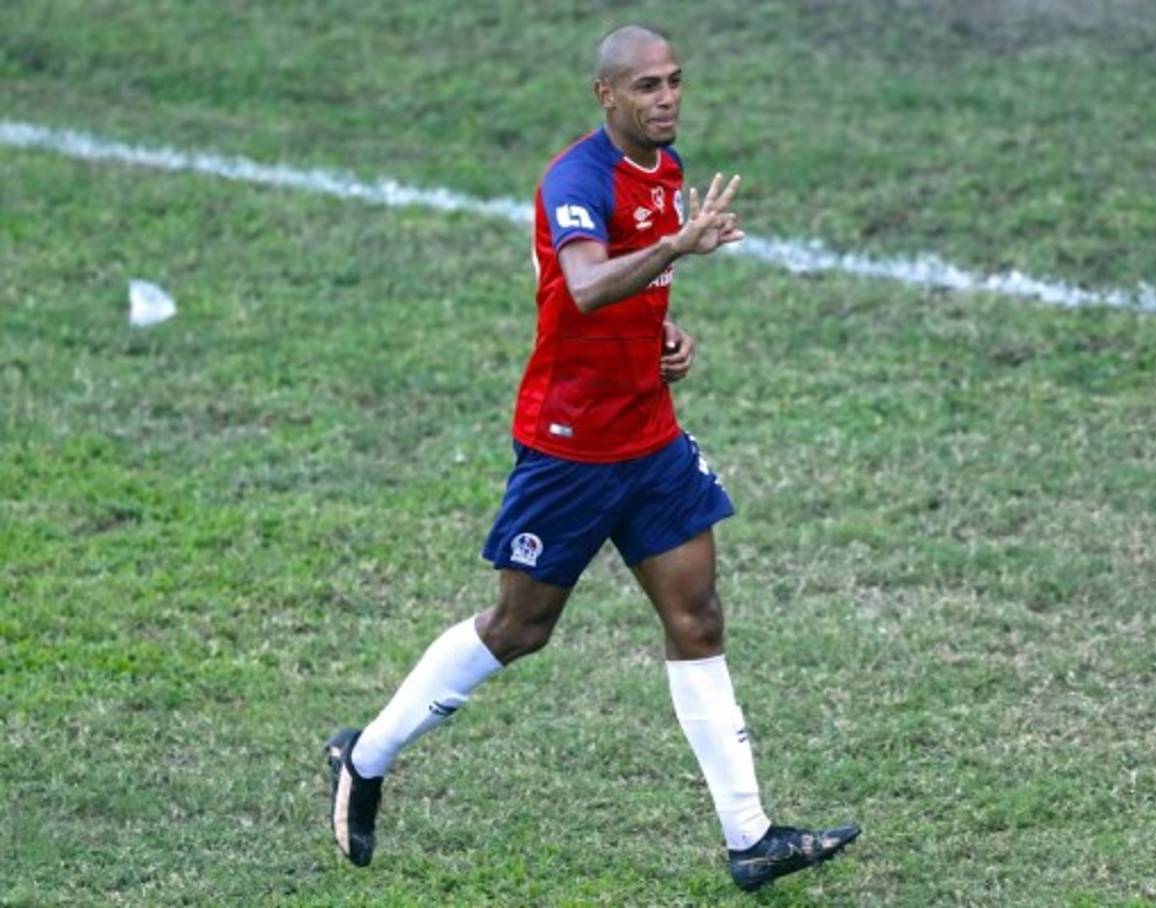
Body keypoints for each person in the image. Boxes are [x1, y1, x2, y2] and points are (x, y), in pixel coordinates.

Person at [325, 24, 860, 892]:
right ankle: (367, 755)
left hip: (647, 437)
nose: (667, 99)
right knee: (518, 629)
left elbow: (632, 295)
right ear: (606, 95)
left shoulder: (667, 169)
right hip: (569, 448)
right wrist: (673, 250)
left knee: (699, 619)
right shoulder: (577, 179)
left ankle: (750, 837)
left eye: (675, 81)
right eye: (647, 86)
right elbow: (583, 283)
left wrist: (666, 335)